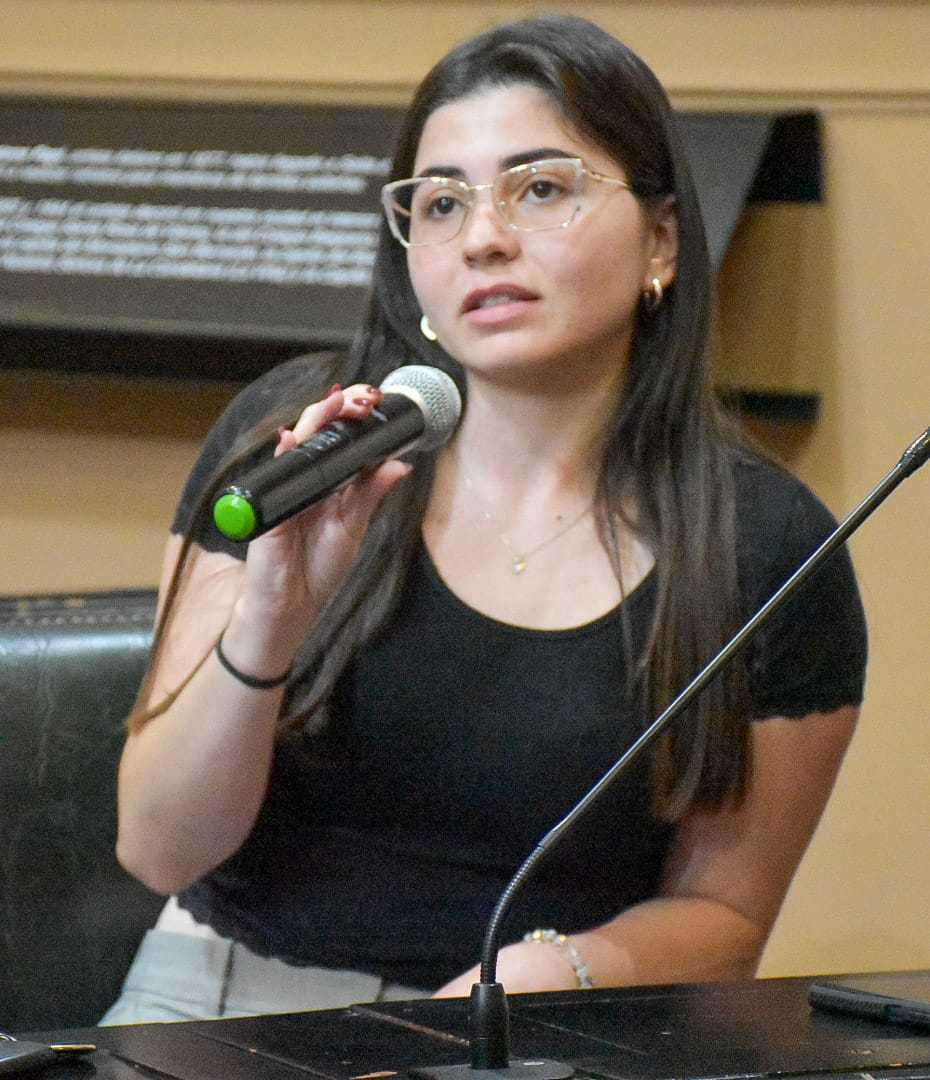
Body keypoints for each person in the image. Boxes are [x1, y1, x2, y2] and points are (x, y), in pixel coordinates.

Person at [103, 13, 867, 1025]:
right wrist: (268, 621)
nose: (484, 238)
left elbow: (724, 913)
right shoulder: (299, 443)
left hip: (536, 1033)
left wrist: (539, 978)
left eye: (540, 189)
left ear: (663, 240)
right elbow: (159, 849)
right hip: (218, 1001)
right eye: (442, 203)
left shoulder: (764, 544)